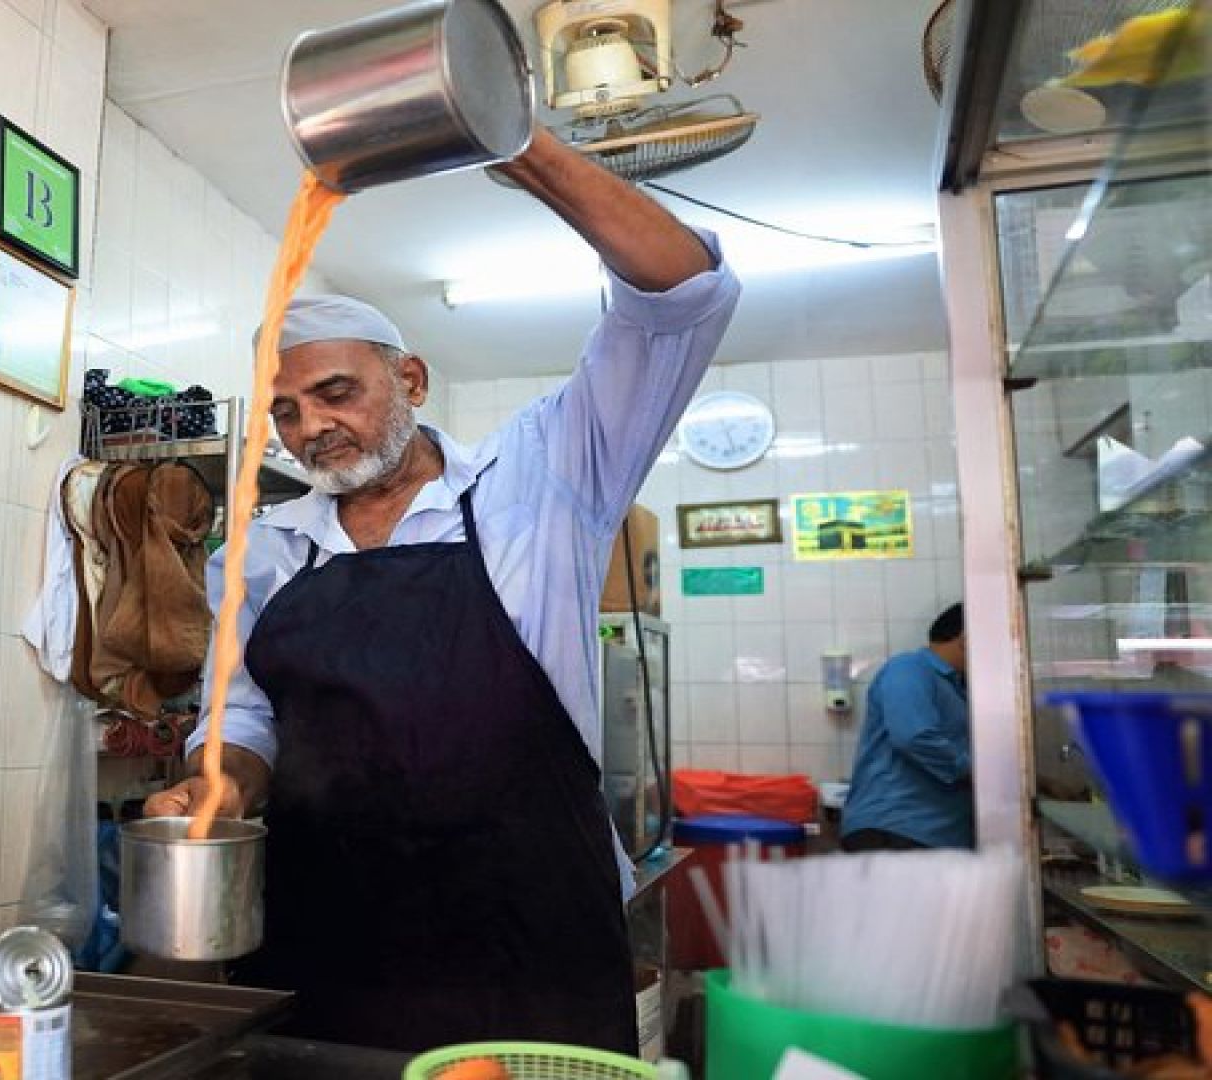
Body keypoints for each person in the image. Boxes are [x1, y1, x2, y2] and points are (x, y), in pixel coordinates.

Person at [141, 126, 739, 1054]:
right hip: (326, 935)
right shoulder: (259, 554)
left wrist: (520, 143)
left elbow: (683, 295)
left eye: (337, 392)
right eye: (287, 413)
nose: (312, 430)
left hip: (528, 934)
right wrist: (217, 786)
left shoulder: (541, 479)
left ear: (409, 378)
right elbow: (247, 719)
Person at [839, 603, 973, 853]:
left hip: (936, 834)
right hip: (899, 829)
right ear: (967, 640)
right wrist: (979, 773)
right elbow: (914, 737)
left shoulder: (957, 688)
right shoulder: (909, 669)